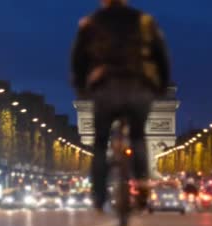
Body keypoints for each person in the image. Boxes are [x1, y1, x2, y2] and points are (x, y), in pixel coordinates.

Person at [71, 0, 171, 211]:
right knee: (138, 137)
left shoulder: (90, 23)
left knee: (99, 143)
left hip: (105, 87)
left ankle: (99, 197)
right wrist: (161, 88)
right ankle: (143, 184)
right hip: (138, 86)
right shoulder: (145, 21)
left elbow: (78, 61)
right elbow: (161, 58)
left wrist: (81, 88)